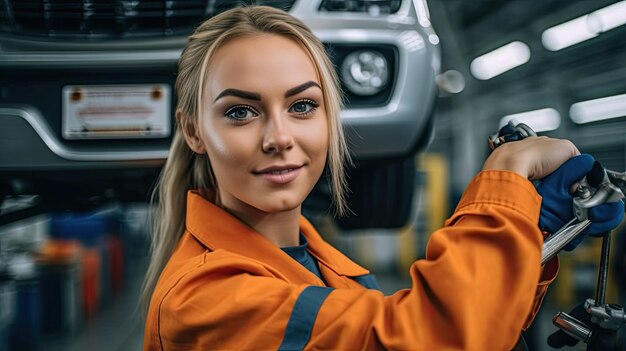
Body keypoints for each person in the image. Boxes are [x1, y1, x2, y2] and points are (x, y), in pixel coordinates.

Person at [142, 5, 624, 350]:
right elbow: (435, 337)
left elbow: (480, 327)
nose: (279, 137)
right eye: (242, 111)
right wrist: (505, 179)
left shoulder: (320, 265)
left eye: (303, 105)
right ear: (193, 131)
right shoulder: (205, 300)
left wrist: (531, 233)